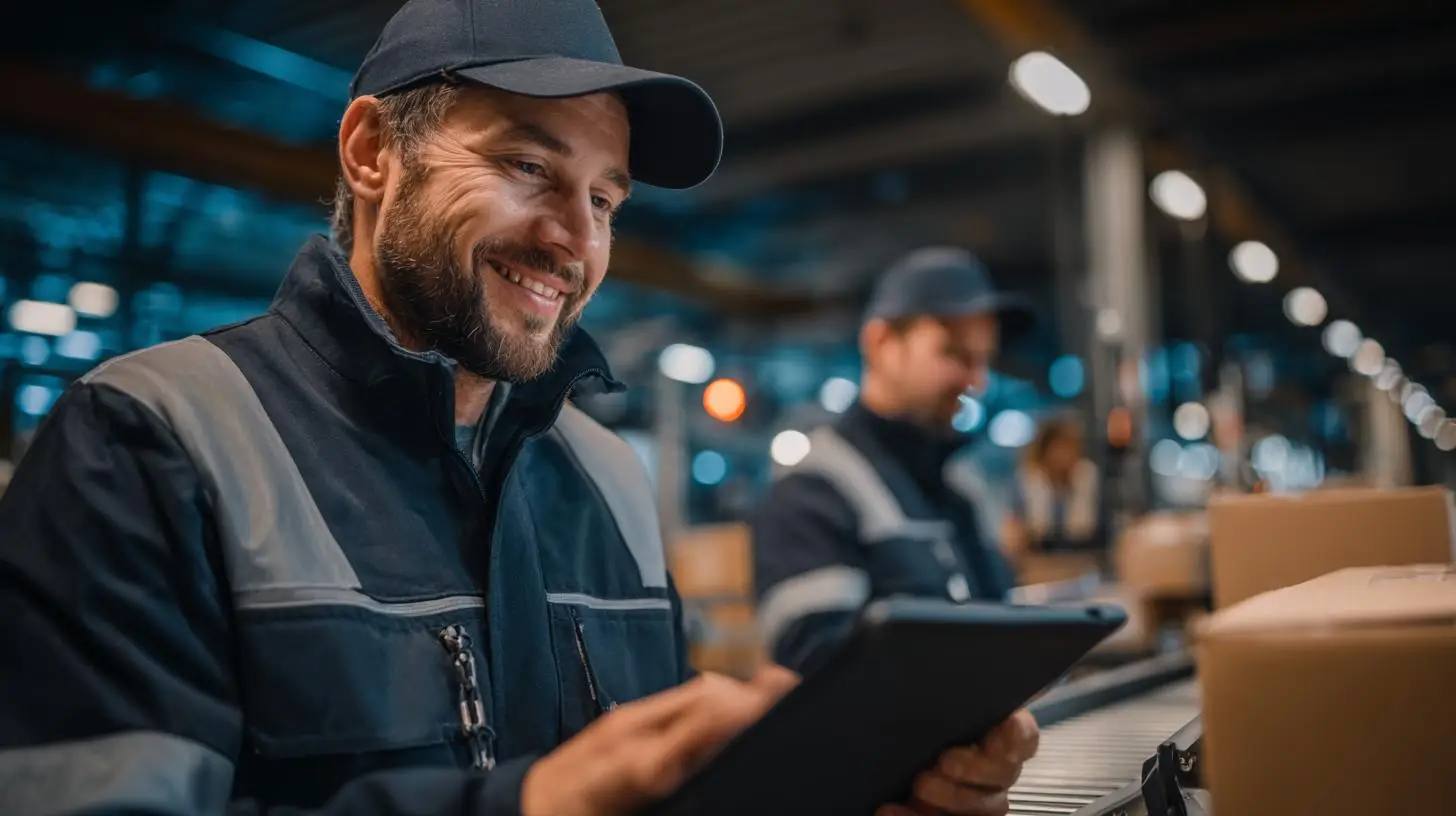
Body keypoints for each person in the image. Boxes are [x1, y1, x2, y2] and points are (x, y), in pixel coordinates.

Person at [0, 2, 1036, 814]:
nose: (572, 241)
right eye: (526, 165)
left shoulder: (611, 481)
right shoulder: (146, 443)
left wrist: (860, 787)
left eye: (603, 199)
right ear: (370, 153)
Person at [752, 247, 1034, 674]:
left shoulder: (960, 488)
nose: (975, 383)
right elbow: (820, 673)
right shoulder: (813, 490)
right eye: (955, 354)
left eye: (982, 362)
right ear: (882, 343)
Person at [1002, 416, 1107, 571]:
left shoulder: (1089, 480)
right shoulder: (1026, 483)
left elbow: (1102, 532)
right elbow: (1014, 532)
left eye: (1072, 447)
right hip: (1038, 565)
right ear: (1045, 450)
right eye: (1060, 447)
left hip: (1083, 562)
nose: (1066, 454)